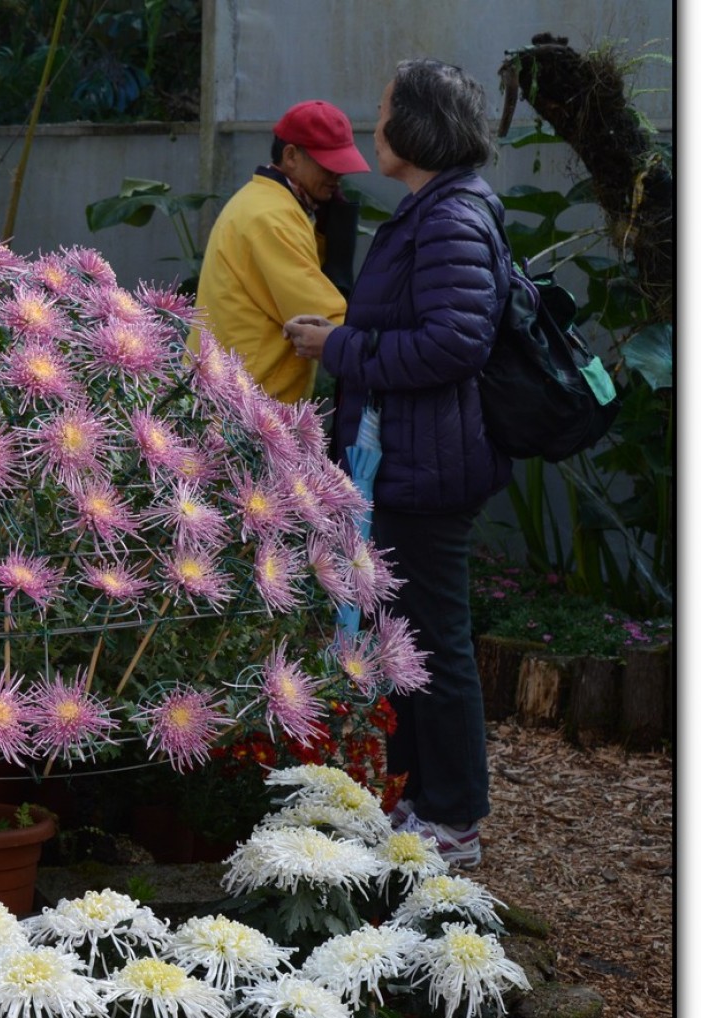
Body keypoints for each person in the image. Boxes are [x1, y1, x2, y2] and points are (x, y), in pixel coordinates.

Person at [285, 58, 512, 868]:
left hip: (429, 469)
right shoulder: (435, 208)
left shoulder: (451, 216)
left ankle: (455, 817)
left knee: (436, 642)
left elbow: (455, 343)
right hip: (410, 461)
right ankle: (420, 799)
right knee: (408, 636)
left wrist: (339, 346)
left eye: (382, 113)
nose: (372, 127)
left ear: (417, 127)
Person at [191, 100, 369, 403]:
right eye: (329, 164)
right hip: (247, 410)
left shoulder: (265, 202)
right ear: (291, 156)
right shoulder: (272, 219)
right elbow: (326, 319)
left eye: (343, 165)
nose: (338, 175)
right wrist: (401, 346)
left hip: (230, 398)